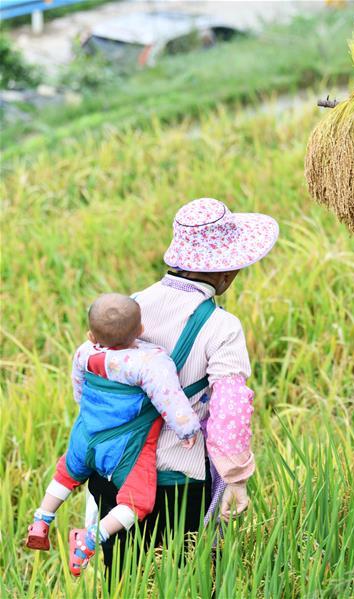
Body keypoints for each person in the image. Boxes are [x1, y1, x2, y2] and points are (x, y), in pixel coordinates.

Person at [86, 197, 279, 573]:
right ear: (225, 274)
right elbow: (229, 410)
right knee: (188, 574)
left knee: (123, 577)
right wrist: (236, 480)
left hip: (113, 473)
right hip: (176, 481)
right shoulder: (222, 327)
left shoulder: (132, 305)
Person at [25, 294, 201, 576]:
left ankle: (42, 518)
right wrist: (187, 428)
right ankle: (91, 538)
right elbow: (169, 398)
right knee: (137, 501)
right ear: (141, 331)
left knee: (66, 472)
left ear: (91, 334)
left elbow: (78, 389)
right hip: (125, 448)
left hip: (86, 434)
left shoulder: (85, 352)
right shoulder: (150, 361)